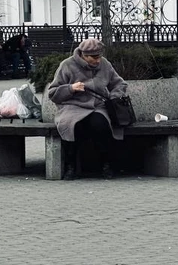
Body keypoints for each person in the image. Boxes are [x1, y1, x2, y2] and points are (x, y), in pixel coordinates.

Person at [47, 38, 128, 179]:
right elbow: (53, 93)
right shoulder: (67, 65)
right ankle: (70, 166)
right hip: (72, 106)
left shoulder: (105, 64)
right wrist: (70, 88)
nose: (98, 60)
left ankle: (106, 164)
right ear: (84, 55)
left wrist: (114, 97)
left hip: (98, 106)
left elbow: (120, 84)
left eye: (99, 56)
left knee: (101, 125)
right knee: (71, 126)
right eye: (94, 57)